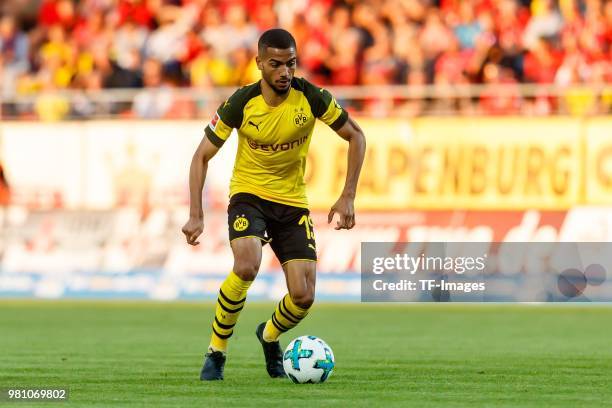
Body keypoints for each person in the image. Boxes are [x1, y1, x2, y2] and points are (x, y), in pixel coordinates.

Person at [181, 28, 366, 381]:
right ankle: (216, 351)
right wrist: (195, 214)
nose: (285, 72)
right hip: (249, 196)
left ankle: (268, 336)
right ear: (260, 64)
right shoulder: (241, 103)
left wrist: (348, 195)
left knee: (304, 295)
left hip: (292, 202)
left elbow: (356, 136)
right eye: (276, 64)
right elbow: (201, 156)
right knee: (247, 265)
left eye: (291, 64)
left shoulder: (311, 97)